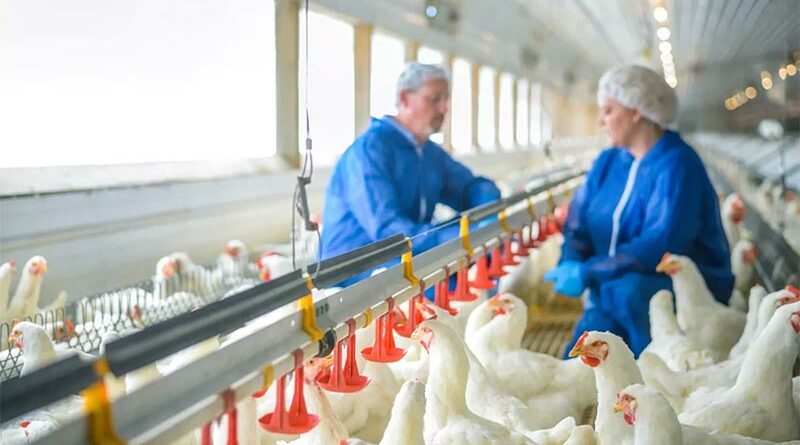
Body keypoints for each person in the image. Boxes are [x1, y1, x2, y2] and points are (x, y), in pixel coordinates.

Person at [545, 65, 734, 358]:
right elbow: (578, 220)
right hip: (611, 290)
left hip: (674, 294)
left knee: (629, 299)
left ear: (636, 112)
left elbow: (660, 244)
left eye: (608, 111)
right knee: (577, 361)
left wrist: (589, 271)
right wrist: (571, 258)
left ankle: (655, 368)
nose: (600, 121)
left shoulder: (678, 165)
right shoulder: (607, 162)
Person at [321, 63, 500, 285]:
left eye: (446, 99)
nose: (444, 108)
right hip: (356, 276)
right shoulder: (369, 153)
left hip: (405, 262)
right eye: (434, 99)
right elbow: (389, 231)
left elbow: (469, 188)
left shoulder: (428, 153)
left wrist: (488, 211)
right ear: (405, 99)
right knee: (451, 287)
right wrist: (460, 235)